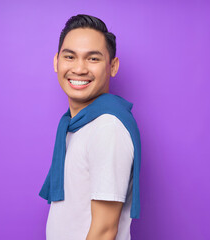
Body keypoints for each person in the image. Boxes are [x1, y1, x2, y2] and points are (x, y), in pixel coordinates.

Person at [38, 14, 141, 240]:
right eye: (70, 57)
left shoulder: (107, 127)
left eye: (93, 59)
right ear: (56, 61)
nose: (79, 68)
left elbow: (104, 231)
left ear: (112, 66)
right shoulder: (77, 125)